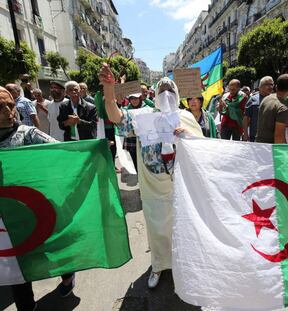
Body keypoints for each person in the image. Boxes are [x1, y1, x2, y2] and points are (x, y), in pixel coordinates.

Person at [99, 63, 203, 289]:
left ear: (177, 95)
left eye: (170, 91)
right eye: (162, 91)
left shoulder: (186, 117)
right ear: (155, 95)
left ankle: (182, 266)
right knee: (157, 229)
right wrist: (109, 90)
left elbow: (203, 148)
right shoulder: (143, 115)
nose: (166, 95)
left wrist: (188, 137)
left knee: (182, 228)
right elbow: (116, 117)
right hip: (153, 187)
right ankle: (158, 265)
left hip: (181, 186)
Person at [0, 86, 75, 310]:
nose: (7, 111)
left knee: (51, 249)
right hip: (6, 220)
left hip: (36, 211)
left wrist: (91, 151)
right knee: (16, 265)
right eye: (0, 107)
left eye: (10, 105)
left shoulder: (28, 134)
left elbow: (61, 154)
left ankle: (68, 276)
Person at [255, 74, 288, 144]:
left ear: (276, 86)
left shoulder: (266, 98)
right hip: (270, 148)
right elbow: (279, 138)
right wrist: (284, 153)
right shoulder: (283, 108)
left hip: (259, 144)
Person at [243, 76, 274, 142]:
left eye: (271, 84)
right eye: (267, 84)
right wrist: (245, 134)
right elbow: (246, 118)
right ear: (260, 87)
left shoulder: (275, 99)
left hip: (271, 137)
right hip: (255, 137)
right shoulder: (253, 99)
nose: (270, 87)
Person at [123, 93, 143, 170]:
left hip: (143, 140)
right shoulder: (125, 110)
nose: (134, 100)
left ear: (140, 99)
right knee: (135, 162)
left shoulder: (146, 108)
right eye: (132, 98)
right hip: (131, 140)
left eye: (136, 98)